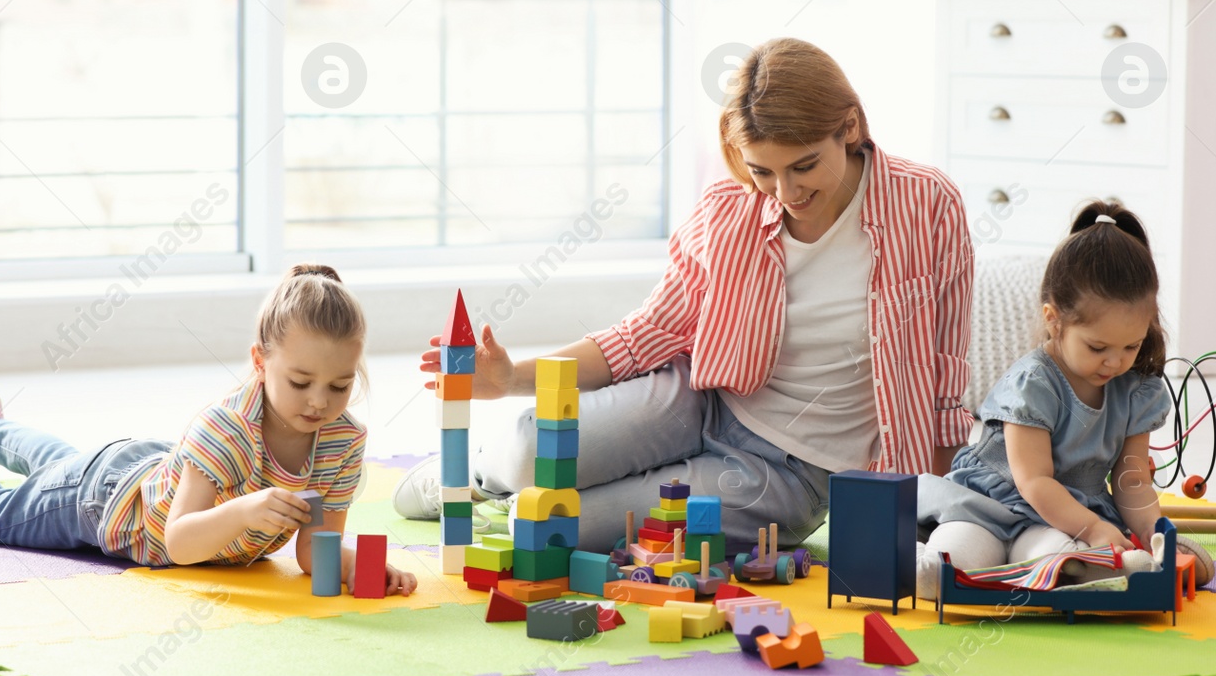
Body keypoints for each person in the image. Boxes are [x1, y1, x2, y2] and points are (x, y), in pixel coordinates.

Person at [393, 37, 975, 553]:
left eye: (803, 166)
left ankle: (504, 503)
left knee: (553, 527)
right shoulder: (731, 211)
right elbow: (642, 336)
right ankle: (468, 481)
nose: (785, 192)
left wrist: (928, 516)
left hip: (798, 475)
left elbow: (946, 376)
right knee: (527, 449)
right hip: (699, 400)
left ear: (849, 127)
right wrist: (510, 378)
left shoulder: (927, 207)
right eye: (763, 172)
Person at [0, 264, 417, 594]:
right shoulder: (227, 429)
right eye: (300, 382)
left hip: (140, 470)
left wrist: (357, 567)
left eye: (340, 386)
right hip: (106, 505)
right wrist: (246, 512)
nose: (320, 403)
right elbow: (180, 541)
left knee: (57, 468)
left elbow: (314, 555)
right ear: (260, 363)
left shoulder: (343, 441)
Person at [915, 202, 1214, 598]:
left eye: (1131, 345)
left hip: (1058, 523)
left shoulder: (1136, 387)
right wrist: (1092, 528)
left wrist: (1153, 534)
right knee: (954, 564)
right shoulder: (1032, 383)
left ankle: (1101, 568)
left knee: (1065, 566)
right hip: (988, 508)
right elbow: (1034, 481)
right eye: (1097, 346)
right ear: (1054, 319)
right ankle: (920, 557)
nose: (1115, 361)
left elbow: (1132, 481)